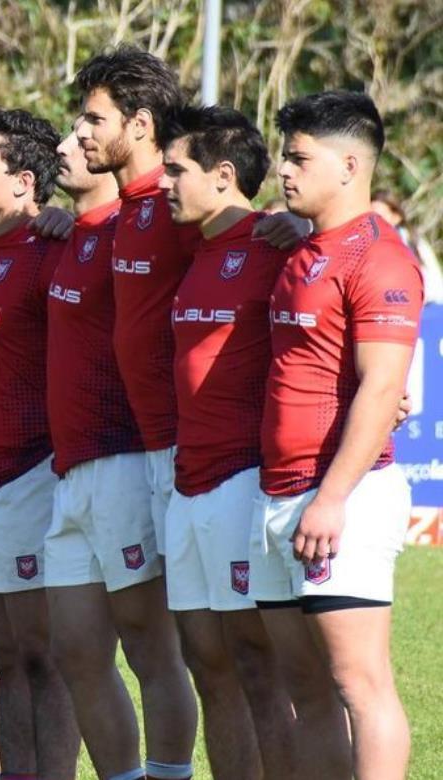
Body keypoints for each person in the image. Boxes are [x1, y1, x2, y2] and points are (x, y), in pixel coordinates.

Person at [255, 90, 420, 780]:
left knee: (359, 683)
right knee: (304, 690)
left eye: (298, 157)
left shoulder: (380, 257)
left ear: (351, 165)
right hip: (276, 494)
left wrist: (332, 497)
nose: (284, 171)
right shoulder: (303, 245)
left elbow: (383, 388)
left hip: (340, 499)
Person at [62, 46, 200, 780]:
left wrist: (284, 231)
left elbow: (250, 250)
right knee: (79, 649)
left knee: (161, 650)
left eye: (94, 119)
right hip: (97, 456)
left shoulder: (178, 205)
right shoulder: (115, 214)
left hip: (154, 454)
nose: (80, 133)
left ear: (140, 124)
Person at [157, 104, 296, 778]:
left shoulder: (277, 247)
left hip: (243, 480)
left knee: (256, 665)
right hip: (187, 483)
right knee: (207, 665)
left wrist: (299, 225)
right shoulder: (194, 245)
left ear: (223, 175)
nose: (164, 183)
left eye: (176, 170)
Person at [0, 107, 79, 780]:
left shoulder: (50, 248)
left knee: (42, 657)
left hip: (31, 478)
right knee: (2, 660)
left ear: (26, 182)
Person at [371, 190, 443, 303]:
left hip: (427, 307)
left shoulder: (409, 241)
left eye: (379, 216)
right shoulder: (370, 243)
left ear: (396, 217)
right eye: (371, 216)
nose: (374, 221)